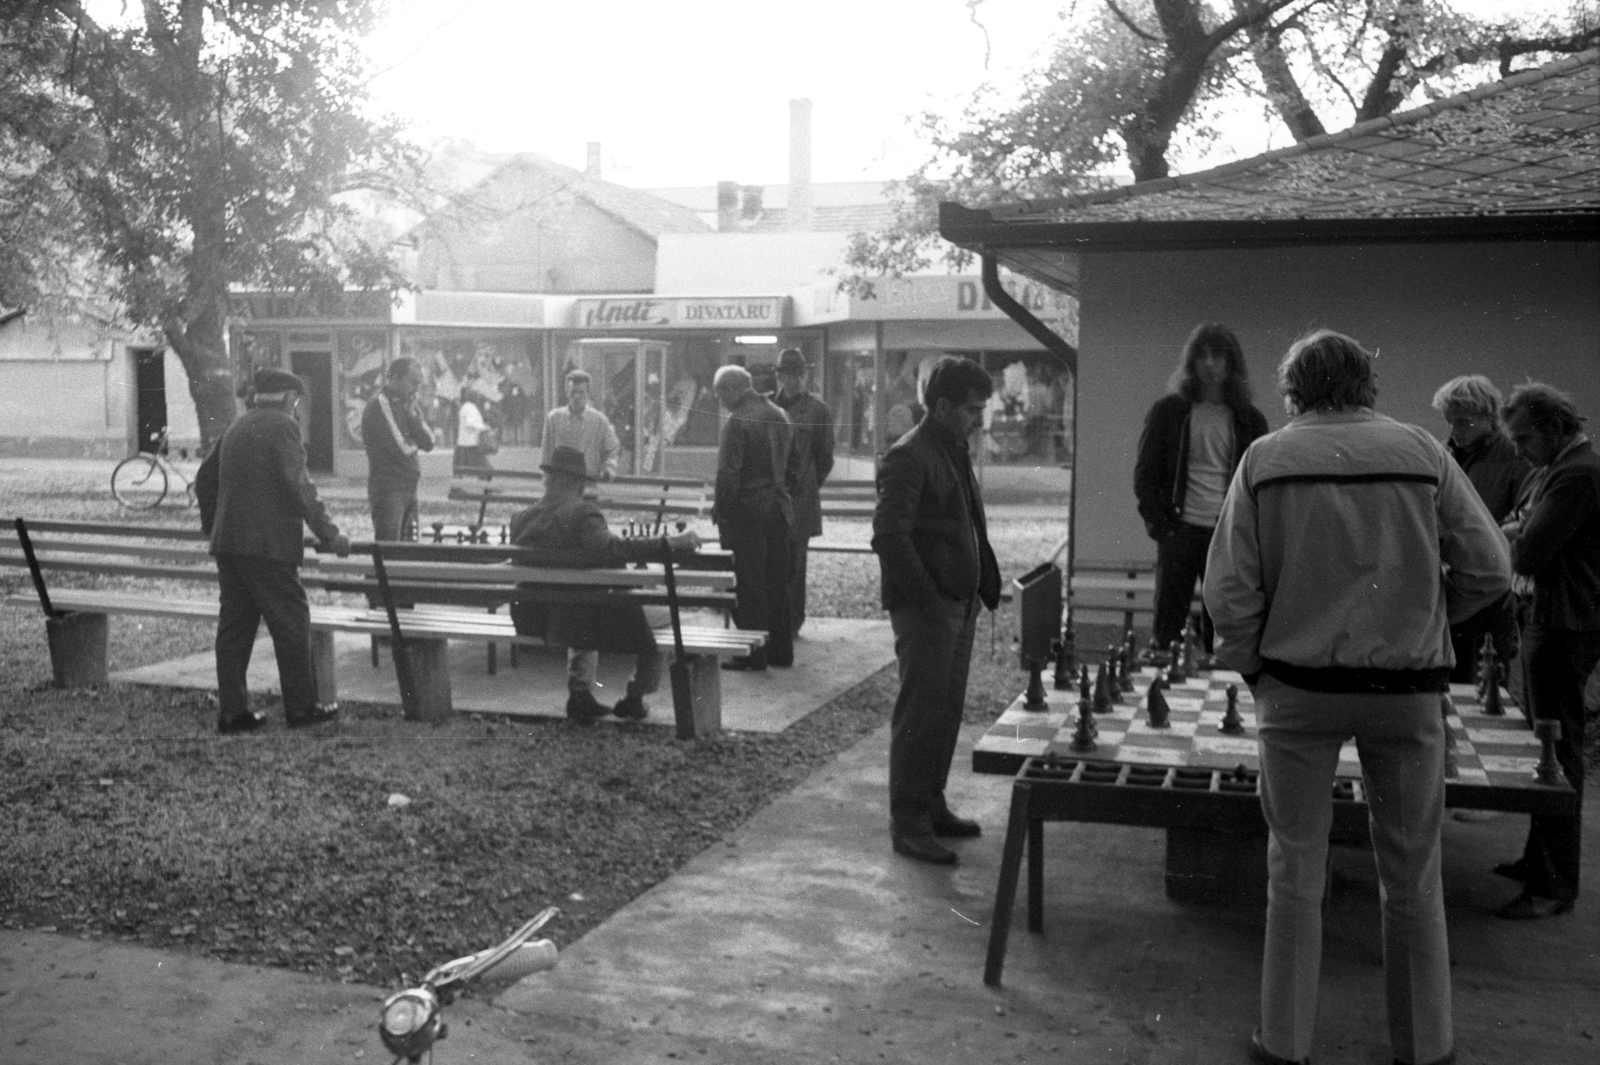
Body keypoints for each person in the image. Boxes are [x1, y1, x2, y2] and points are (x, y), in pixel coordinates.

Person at [1204, 331, 1509, 1065]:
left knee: (1295, 869)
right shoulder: (1421, 452)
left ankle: (1283, 1042)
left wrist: (1255, 666)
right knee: (1412, 874)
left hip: (1298, 690)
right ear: (1366, 382)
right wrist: (1434, 623)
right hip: (1405, 691)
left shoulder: (1266, 459)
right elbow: (1492, 567)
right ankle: (1425, 1046)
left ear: (1293, 389)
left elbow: (1227, 590)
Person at [871, 356, 1002, 866]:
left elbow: (965, 521)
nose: (978, 418)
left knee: (944, 710)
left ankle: (930, 804)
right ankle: (909, 823)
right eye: (972, 409)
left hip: (956, 604)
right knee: (921, 713)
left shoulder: (948, 446)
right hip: (931, 609)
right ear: (943, 406)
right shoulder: (911, 455)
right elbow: (888, 536)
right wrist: (927, 597)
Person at [1493, 383, 1600, 920]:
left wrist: (1517, 534)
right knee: (1544, 751)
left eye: (1524, 437)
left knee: (1556, 755)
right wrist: (1518, 530)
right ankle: (1539, 862)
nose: (1517, 450)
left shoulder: (1577, 473)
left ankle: (1554, 885)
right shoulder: (1552, 469)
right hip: (1547, 619)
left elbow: (1529, 550)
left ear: (1556, 427)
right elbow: (1516, 525)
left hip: (1565, 623)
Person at [195, 368, 352, 735]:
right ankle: (301, 709)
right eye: (296, 402)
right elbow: (300, 486)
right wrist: (330, 534)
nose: (297, 409)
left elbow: (205, 479)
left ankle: (232, 712)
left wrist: (215, 526)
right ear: (286, 398)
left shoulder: (236, 426)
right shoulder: (282, 426)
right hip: (266, 547)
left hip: (230, 545)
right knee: (292, 622)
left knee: (235, 628)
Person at [507, 445, 701, 722]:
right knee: (668, 613)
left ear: (548, 480)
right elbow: (614, 549)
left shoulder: (521, 519)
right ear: (578, 483)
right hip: (584, 615)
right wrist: (671, 543)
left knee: (581, 603)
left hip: (535, 616)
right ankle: (636, 696)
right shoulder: (582, 514)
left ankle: (580, 693)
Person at [1134, 323, 1269, 654]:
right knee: (1166, 634)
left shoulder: (1250, 420)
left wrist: (1247, 536)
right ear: (1191, 363)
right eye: (1202, 356)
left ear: (1232, 364)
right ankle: (1161, 698)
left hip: (1225, 538)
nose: (1210, 363)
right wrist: (1162, 528)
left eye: (1219, 357)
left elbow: (1260, 488)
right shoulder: (1169, 412)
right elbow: (1145, 476)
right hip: (1178, 533)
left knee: (1222, 635)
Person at [1430, 374, 1530, 682]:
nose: (1454, 431)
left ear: (1490, 418)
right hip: (1456, 580)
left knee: (1486, 678)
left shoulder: (1515, 459)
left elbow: (1529, 517)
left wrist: (1494, 536)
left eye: (1463, 423)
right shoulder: (1447, 455)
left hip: (1493, 589)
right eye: (1450, 422)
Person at [711, 364, 800, 672]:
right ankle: (781, 651)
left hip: (747, 513)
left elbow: (728, 476)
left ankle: (754, 654)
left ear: (732, 389)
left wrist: (723, 513)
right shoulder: (780, 414)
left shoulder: (738, 421)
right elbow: (795, 466)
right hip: (779, 509)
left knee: (749, 585)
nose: (719, 400)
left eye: (719, 393)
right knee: (777, 583)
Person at [772, 348, 835, 635]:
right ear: (780, 376)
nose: (796, 380)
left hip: (801, 499)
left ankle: (792, 622)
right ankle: (774, 620)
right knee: (773, 560)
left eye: (801, 374)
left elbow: (825, 457)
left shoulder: (818, 410)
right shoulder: (769, 407)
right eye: (790, 375)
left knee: (796, 566)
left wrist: (808, 483)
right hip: (773, 498)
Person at [361, 357, 434, 543]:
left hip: (410, 486)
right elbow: (401, 448)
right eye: (413, 382)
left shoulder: (408, 404)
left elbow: (430, 442)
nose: (417, 388)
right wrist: (415, 441)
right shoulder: (380, 404)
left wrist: (411, 417)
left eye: (419, 383)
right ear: (395, 378)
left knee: (409, 549)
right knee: (389, 548)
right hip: (389, 488)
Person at [542, 369, 620, 482]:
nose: (577, 396)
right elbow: (547, 454)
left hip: (588, 484)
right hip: (560, 486)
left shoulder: (599, 421)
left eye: (581, 392)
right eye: (573, 392)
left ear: (588, 393)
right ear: (567, 392)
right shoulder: (554, 419)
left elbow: (612, 450)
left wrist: (608, 469)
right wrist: (547, 479)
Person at [454, 391, 492, 472]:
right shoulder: (471, 408)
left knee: (460, 463)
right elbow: (470, 422)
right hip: (471, 440)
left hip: (464, 441)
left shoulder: (465, 407)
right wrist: (483, 427)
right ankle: (486, 474)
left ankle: (460, 475)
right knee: (479, 461)